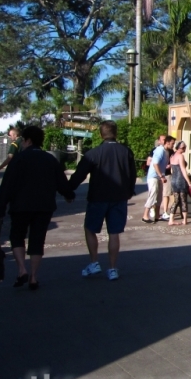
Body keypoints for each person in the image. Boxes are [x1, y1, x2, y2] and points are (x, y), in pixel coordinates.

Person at [0, 126, 74, 290]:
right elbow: (61, 182)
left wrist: (0, 206)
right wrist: (68, 194)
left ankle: (21, 269)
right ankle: (33, 277)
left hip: (20, 206)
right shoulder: (50, 159)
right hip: (44, 207)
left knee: (17, 236)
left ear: (27, 140)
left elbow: (7, 185)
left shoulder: (18, 159)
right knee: (38, 240)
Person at [67, 120, 136, 281]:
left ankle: (94, 262)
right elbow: (132, 174)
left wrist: (68, 191)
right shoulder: (126, 152)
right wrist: (129, 191)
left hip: (97, 197)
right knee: (114, 233)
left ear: (100, 134)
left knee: (90, 229)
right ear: (116, 133)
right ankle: (112, 269)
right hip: (119, 197)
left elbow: (79, 174)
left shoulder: (93, 153)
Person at [143, 135, 174, 223]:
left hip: (160, 176)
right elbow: (155, 163)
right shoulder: (160, 150)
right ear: (167, 143)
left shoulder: (167, 151)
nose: (173, 145)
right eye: (172, 143)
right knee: (152, 195)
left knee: (159, 197)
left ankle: (157, 215)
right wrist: (161, 176)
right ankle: (145, 216)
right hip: (153, 176)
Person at [168, 140, 191, 226]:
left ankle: (171, 219)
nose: (184, 149)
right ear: (179, 148)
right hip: (181, 180)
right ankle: (185, 220)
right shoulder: (180, 156)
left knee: (176, 200)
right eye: (183, 148)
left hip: (174, 179)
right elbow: (183, 170)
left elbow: (171, 170)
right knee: (183, 200)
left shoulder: (172, 156)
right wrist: (189, 182)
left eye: (185, 147)